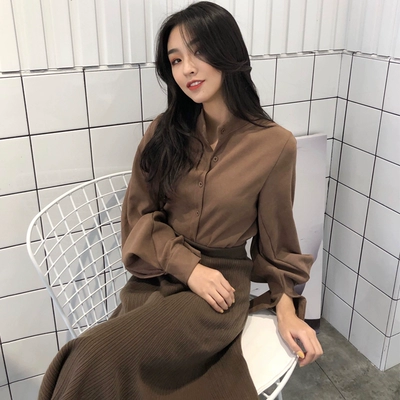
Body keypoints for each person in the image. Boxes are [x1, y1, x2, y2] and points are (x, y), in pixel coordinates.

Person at [38, 2, 322, 399]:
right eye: (175, 60)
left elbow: (278, 246)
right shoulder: (164, 131)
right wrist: (188, 268)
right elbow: (139, 216)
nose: (187, 69)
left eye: (198, 52)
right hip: (156, 278)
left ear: (228, 51)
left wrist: (288, 310)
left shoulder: (275, 145)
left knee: (91, 355)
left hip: (218, 293)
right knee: (88, 356)